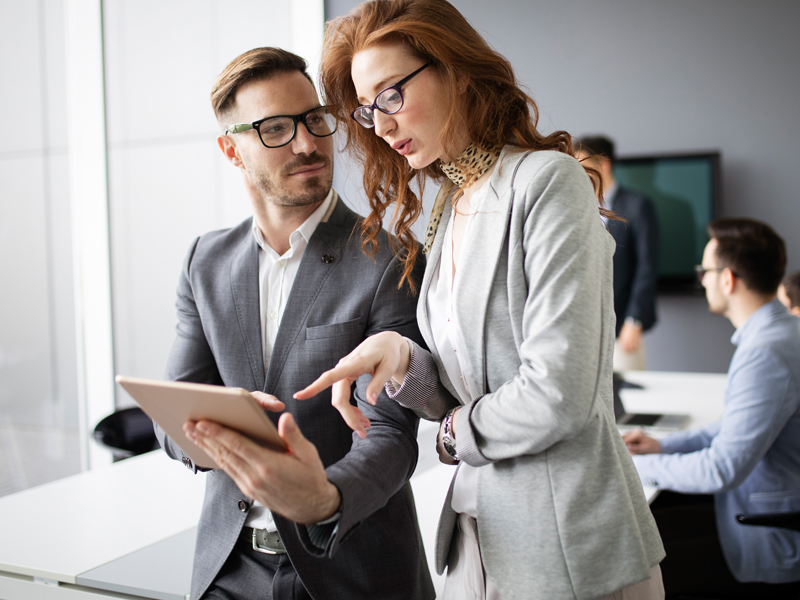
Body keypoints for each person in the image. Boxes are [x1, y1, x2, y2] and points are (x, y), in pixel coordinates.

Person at [296, 1, 666, 598]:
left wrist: (448, 436)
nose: (382, 126)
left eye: (391, 94)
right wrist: (400, 356)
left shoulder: (547, 182)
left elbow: (557, 395)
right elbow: (467, 386)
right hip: (478, 540)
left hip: (568, 546)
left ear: (454, 70)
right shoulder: (446, 206)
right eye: (368, 110)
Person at [154, 47, 434, 600]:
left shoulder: (391, 258)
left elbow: (393, 434)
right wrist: (219, 425)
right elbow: (173, 413)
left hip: (354, 569)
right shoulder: (204, 262)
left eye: (313, 120)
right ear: (231, 149)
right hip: (228, 571)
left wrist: (323, 498)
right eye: (275, 128)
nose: (307, 143)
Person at [625, 218, 800, 597]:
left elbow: (721, 469)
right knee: (650, 527)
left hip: (768, 532)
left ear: (728, 279)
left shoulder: (765, 353)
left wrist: (634, 467)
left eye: (704, 270)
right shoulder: (781, 332)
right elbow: (733, 428)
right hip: (755, 507)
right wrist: (662, 446)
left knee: (634, 565)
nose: (701, 279)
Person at [577, 136, 659, 371]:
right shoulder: (577, 206)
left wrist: (634, 319)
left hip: (622, 326)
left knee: (624, 401)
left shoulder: (638, 205)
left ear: (604, 164)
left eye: (582, 164)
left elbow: (647, 267)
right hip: (583, 329)